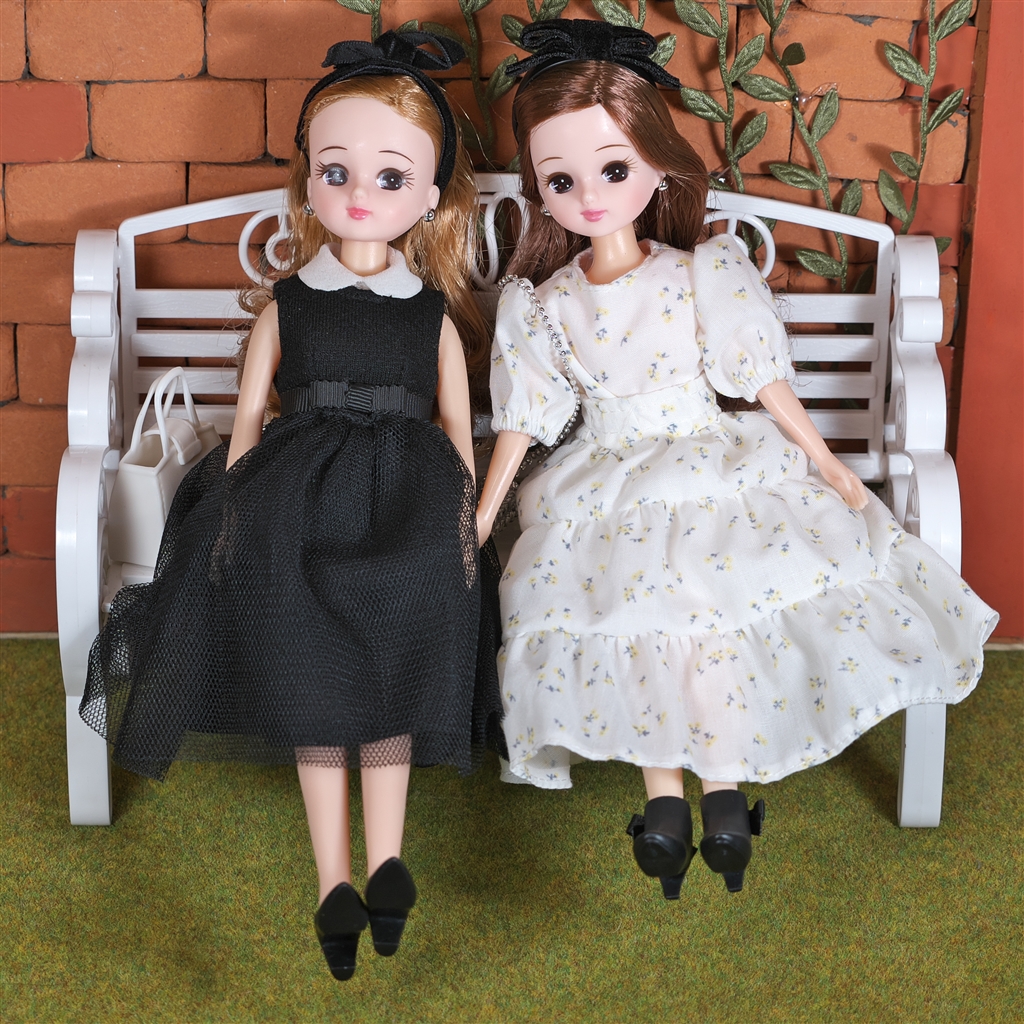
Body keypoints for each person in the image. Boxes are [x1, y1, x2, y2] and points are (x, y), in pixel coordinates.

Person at [475, 19, 998, 899]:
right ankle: (682, 807)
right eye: (560, 180)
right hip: (618, 474)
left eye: (612, 170)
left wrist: (826, 462)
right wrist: (484, 511)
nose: (589, 196)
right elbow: (525, 417)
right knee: (643, 624)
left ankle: (705, 799)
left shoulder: (698, 271)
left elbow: (758, 378)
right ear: (539, 187)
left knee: (704, 617)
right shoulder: (543, 304)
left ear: (657, 165)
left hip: (691, 463)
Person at [80, 31, 500, 980]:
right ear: (308, 182)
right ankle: (338, 879)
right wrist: (231, 516)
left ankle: (376, 867)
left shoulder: (430, 313)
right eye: (335, 170)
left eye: (390, 177)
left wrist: (464, 522)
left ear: (430, 198)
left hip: (404, 506)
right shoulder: (288, 305)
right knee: (319, 679)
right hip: (296, 507)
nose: (359, 194)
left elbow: (458, 426)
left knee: (383, 681)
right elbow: (246, 423)